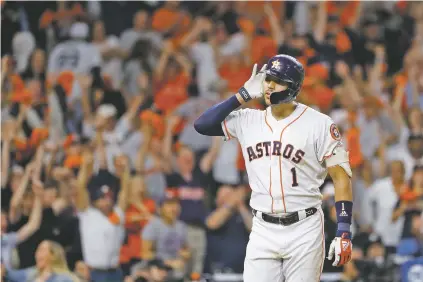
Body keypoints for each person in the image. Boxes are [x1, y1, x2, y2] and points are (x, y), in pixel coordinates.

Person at [194, 54, 353, 281]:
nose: (268, 86)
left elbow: (341, 178)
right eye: (267, 79)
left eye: (276, 80)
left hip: (304, 227)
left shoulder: (320, 124)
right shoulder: (248, 119)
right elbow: (202, 125)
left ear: (292, 87)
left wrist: (344, 230)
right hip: (262, 228)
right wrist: (242, 95)